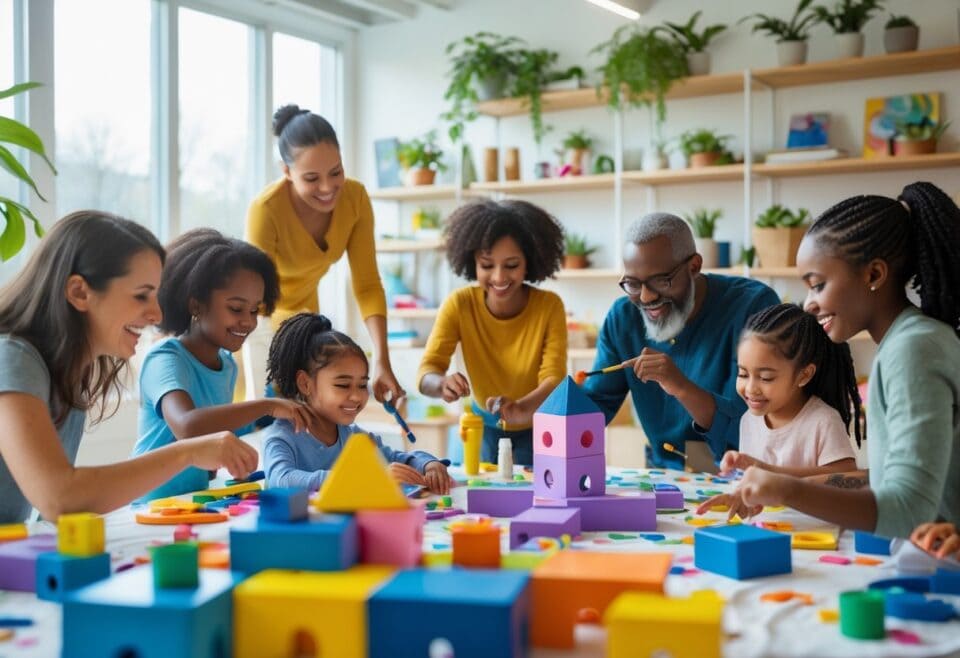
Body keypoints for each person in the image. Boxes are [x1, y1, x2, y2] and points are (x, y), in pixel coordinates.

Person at [709, 182, 960, 538]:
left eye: (818, 284)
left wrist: (785, 490)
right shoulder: (907, 342)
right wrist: (773, 476)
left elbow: (908, 509)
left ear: (873, 274)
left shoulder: (913, 350)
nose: (809, 303)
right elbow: (887, 481)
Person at [0, 211, 258, 523]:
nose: (156, 314)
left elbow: (57, 512)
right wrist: (187, 452)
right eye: (141, 296)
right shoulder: (12, 358)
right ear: (80, 292)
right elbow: (59, 497)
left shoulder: (66, 373)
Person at [584, 212, 779, 469]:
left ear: (694, 266)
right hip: (662, 473)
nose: (645, 297)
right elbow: (595, 406)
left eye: (661, 281)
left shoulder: (753, 307)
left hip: (739, 473)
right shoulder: (622, 317)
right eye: (633, 283)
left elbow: (749, 426)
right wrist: (552, 409)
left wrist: (680, 386)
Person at [132, 229, 316, 500]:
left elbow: (218, 428)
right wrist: (267, 406)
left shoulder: (226, 366)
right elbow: (188, 427)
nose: (249, 322)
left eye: (255, 310)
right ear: (196, 305)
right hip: (149, 504)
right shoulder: (166, 358)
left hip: (191, 501)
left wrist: (274, 413)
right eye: (236, 309)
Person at [246, 104, 403, 402]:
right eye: (312, 179)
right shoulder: (266, 210)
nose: (328, 187)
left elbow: (367, 284)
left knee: (313, 419)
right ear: (287, 171)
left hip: (306, 322)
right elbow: (253, 298)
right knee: (267, 423)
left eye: (336, 172)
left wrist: (382, 359)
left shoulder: (355, 199)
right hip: (261, 325)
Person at [416, 200, 567, 466]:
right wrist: (441, 384)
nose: (498, 277)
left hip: (541, 431)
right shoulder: (459, 305)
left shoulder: (549, 307)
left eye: (511, 265)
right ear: (471, 261)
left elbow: (553, 378)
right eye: (487, 265)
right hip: (480, 433)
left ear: (528, 263)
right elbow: (427, 371)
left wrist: (521, 409)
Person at [695, 303, 860, 517]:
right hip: (768, 531)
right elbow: (757, 491)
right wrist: (741, 497)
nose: (750, 388)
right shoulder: (749, 420)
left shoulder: (823, 421)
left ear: (804, 375)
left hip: (816, 537)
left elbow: (849, 479)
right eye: (743, 374)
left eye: (765, 378)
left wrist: (765, 471)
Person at [263, 313, 452, 494]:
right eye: (343, 385)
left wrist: (429, 465)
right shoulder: (282, 437)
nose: (357, 396)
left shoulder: (355, 438)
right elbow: (281, 480)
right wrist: (363, 477)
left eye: (362, 385)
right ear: (305, 383)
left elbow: (396, 460)